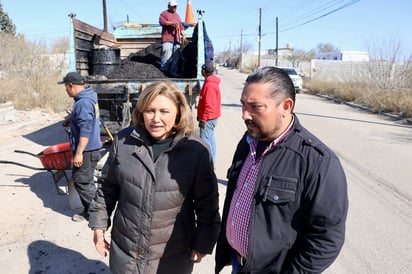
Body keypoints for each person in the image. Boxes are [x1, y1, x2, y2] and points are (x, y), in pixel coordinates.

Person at [215, 67, 348, 273]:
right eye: (243, 105)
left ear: (286, 106)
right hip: (238, 263)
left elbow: (326, 238)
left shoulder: (317, 161)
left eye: (255, 107)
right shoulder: (248, 141)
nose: (244, 115)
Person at [88, 80, 221, 274]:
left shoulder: (195, 150)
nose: (156, 119)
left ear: (178, 112)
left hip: (172, 256)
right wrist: (99, 225)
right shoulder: (124, 142)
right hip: (126, 252)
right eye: (150, 110)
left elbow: (207, 203)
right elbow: (107, 188)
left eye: (164, 111)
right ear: (141, 112)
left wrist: (203, 241)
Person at [58, 72, 102, 222]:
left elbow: (86, 129)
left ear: (71, 85)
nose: (65, 90)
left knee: (83, 182)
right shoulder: (88, 97)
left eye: (65, 87)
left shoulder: (83, 103)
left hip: (87, 150)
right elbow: (85, 118)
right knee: (83, 180)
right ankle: (89, 211)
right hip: (90, 148)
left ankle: (98, 215)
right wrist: (72, 118)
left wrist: (79, 153)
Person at [197, 61, 221, 162]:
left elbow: (209, 105)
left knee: (205, 140)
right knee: (210, 139)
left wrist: (203, 119)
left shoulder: (209, 85)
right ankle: (212, 160)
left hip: (209, 118)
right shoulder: (211, 83)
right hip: (211, 117)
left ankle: (209, 163)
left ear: (204, 72)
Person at [159, 0, 187, 77]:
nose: (175, 8)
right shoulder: (164, 14)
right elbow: (162, 22)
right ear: (169, 6)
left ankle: (173, 72)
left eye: (175, 6)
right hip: (167, 38)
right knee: (167, 54)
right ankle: (163, 71)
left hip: (176, 39)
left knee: (176, 57)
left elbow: (181, 27)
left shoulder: (177, 16)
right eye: (173, 6)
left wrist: (184, 35)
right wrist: (172, 23)